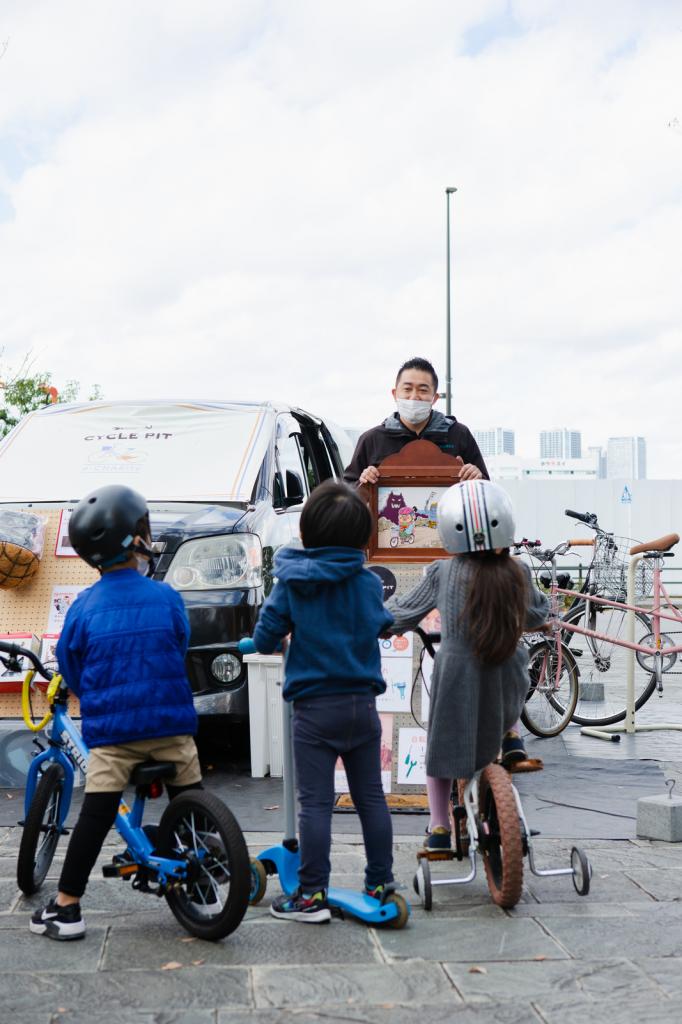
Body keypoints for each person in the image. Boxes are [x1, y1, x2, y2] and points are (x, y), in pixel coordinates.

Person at [30, 485, 201, 941]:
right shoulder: (166, 597)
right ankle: (205, 863)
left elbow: (72, 666)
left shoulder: (83, 607)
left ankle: (67, 907)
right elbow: (179, 644)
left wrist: (99, 697)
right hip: (173, 728)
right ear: (136, 539)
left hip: (114, 736)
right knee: (190, 797)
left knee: (97, 812)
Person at [252, 480, 394, 923]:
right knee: (371, 797)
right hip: (362, 706)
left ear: (307, 532)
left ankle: (311, 895)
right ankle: (381, 881)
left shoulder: (293, 580)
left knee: (315, 803)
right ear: (361, 536)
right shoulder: (368, 583)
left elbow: (265, 635)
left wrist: (276, 637)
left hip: (314, 709)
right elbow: (382, 623)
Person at [385, 479, 548, 852]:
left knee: (439, 751)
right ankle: (511, 737)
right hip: (508, 679)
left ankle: (440, 828)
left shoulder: (443, 572)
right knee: (507, 670)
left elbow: (400, 615)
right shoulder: (518, 572)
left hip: (458, 675)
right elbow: (539, 613)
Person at [343, 357, 488, 487]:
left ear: (435, 398)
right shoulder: (372, 440)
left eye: (423, 390)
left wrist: (476, 478)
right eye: (407, 389)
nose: (414, 397)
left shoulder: (459, 434)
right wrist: (363, 484)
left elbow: (486, 488)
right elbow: (348, 493)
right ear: (395, 394)